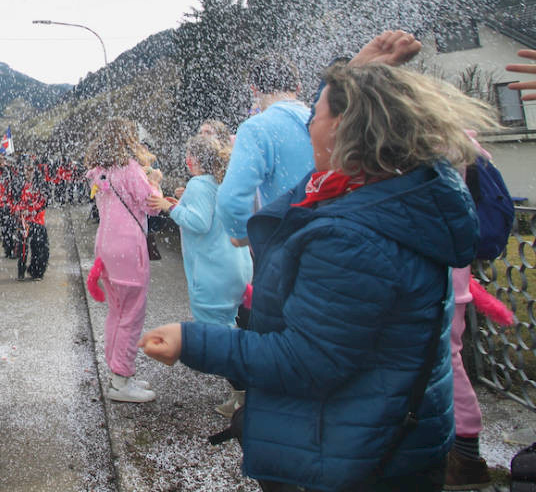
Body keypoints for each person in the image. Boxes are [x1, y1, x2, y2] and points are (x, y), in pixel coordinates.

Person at [140, 63, 496, 492]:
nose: (307, 124)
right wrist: (357, 80)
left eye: (316, 114)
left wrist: (190, 341)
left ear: (344, 128)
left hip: (363, 450)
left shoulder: (352, 238)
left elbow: (304, 359)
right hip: (390, 428)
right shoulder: (393, 194)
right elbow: (296, 200)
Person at [150, 133, 252, 416]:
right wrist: (180, 204)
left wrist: (170, 207)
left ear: (193, 159)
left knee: (219, 336)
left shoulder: (198, 183)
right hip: (236, 265)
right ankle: (243, 392)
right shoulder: (223, 181)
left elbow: (199, 222)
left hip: (213, 270)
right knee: (231, 328)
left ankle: (244, 395)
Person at [84, 120, 161, 403]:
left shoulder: (99, 172)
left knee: (117, 312)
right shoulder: (130, 169)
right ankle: (121, 380)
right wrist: (155, 183)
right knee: (131, 315)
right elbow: (152, 205)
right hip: (128, 248)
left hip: (106, 248)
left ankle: (117, 372)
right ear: (128, 139)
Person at [214, 55, 314, 247]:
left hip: (285, 241)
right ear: (298, 87)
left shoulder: (256, 128)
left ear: (254, 89)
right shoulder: (319, 119)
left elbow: (230, 199)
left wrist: (241, 233)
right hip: (327, 236)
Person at [13, 163, 50, 280]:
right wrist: (18, 210)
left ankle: (37, 271)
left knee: (38, 248)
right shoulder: (19, 184)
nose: (28, 172)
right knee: (22, 249)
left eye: (30, 169)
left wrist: (31, 211)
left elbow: (43, 202)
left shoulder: (40, 185)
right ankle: (21, 271)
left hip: (37, 220)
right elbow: (15, 200)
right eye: (26, 169)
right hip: (23, 220)